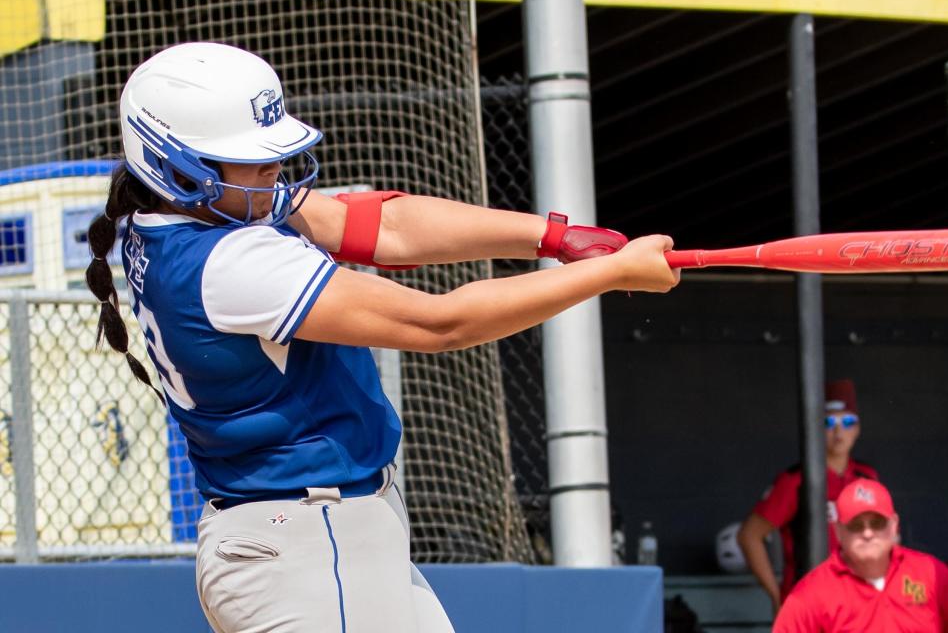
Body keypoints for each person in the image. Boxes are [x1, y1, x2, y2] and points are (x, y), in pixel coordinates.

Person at [84, 42, 680, 633]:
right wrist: (607, 274)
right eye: (248, 159)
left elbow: (384, 227)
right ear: (174, 164)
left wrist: (555, 238)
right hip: (309, 544)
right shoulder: (231, 259)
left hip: (316, 538)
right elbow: (441, 323)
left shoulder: (179, 215)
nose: (274, 172)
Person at [737, 379, 878, 615]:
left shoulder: (868, 477)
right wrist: (776, 594)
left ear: (858, 428)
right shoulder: (795, 480)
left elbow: (886, 540)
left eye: (848, 421)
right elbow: (749, 535)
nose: (838, 431)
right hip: (809, 605)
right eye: (829, 421)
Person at [774, 479, 948, 632]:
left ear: (894, 524)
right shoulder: (811, 594)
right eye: (856, 525)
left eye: (877, 523)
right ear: (838, 530)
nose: (868, 533)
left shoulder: (931, 574)